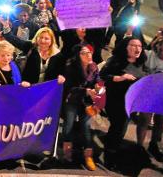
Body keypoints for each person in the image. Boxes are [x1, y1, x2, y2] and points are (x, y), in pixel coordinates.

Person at [100, 36, 148, 168]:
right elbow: (103, 76)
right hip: (115, 100)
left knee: (121, 128)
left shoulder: (142, 63)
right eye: (133, 45)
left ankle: (112, 148)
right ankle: (109, 155)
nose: (137, 48)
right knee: (118, 127)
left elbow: (147, 79)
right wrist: (120, 78)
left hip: (132, 103)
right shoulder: (116, 61)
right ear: (125, 47)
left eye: (139, 46)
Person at [58, 44, 102, 171]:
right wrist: (86, 91)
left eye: (90, 52)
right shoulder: (70, 66)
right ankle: (67, 152)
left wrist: (99, 87)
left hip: (87, 102)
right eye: (84, 53)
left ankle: (88, 156)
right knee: (68, 125)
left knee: (86, 127)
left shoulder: (93, 67)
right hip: (72, 100)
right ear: (78, 55)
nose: (88, 55)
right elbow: (69, 87)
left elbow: (98, 80)